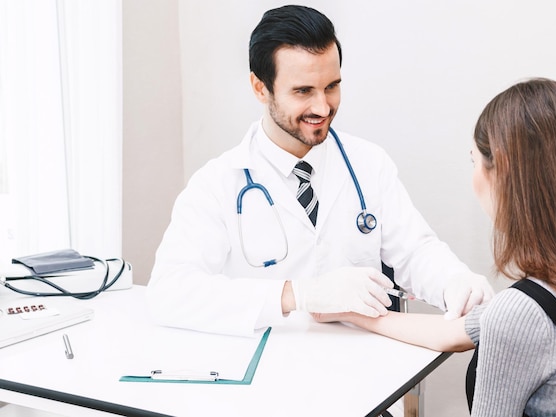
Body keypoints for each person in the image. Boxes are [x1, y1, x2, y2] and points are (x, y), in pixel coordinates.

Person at [146, 5, 493, 337]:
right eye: (303, 91)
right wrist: (297, 295)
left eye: (332, 86)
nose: (322, 107)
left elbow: (416, 253)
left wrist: (455, 280)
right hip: (266, 375)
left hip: (364, 373)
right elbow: (170, 292)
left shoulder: (368, 164)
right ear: (260, 88)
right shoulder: (217, 184)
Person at [313, 78, 556, 416]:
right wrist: (349, 312)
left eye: (473, 160)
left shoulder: (518, 313)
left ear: (503, 170)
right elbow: (453, 334)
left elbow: (506, 324)